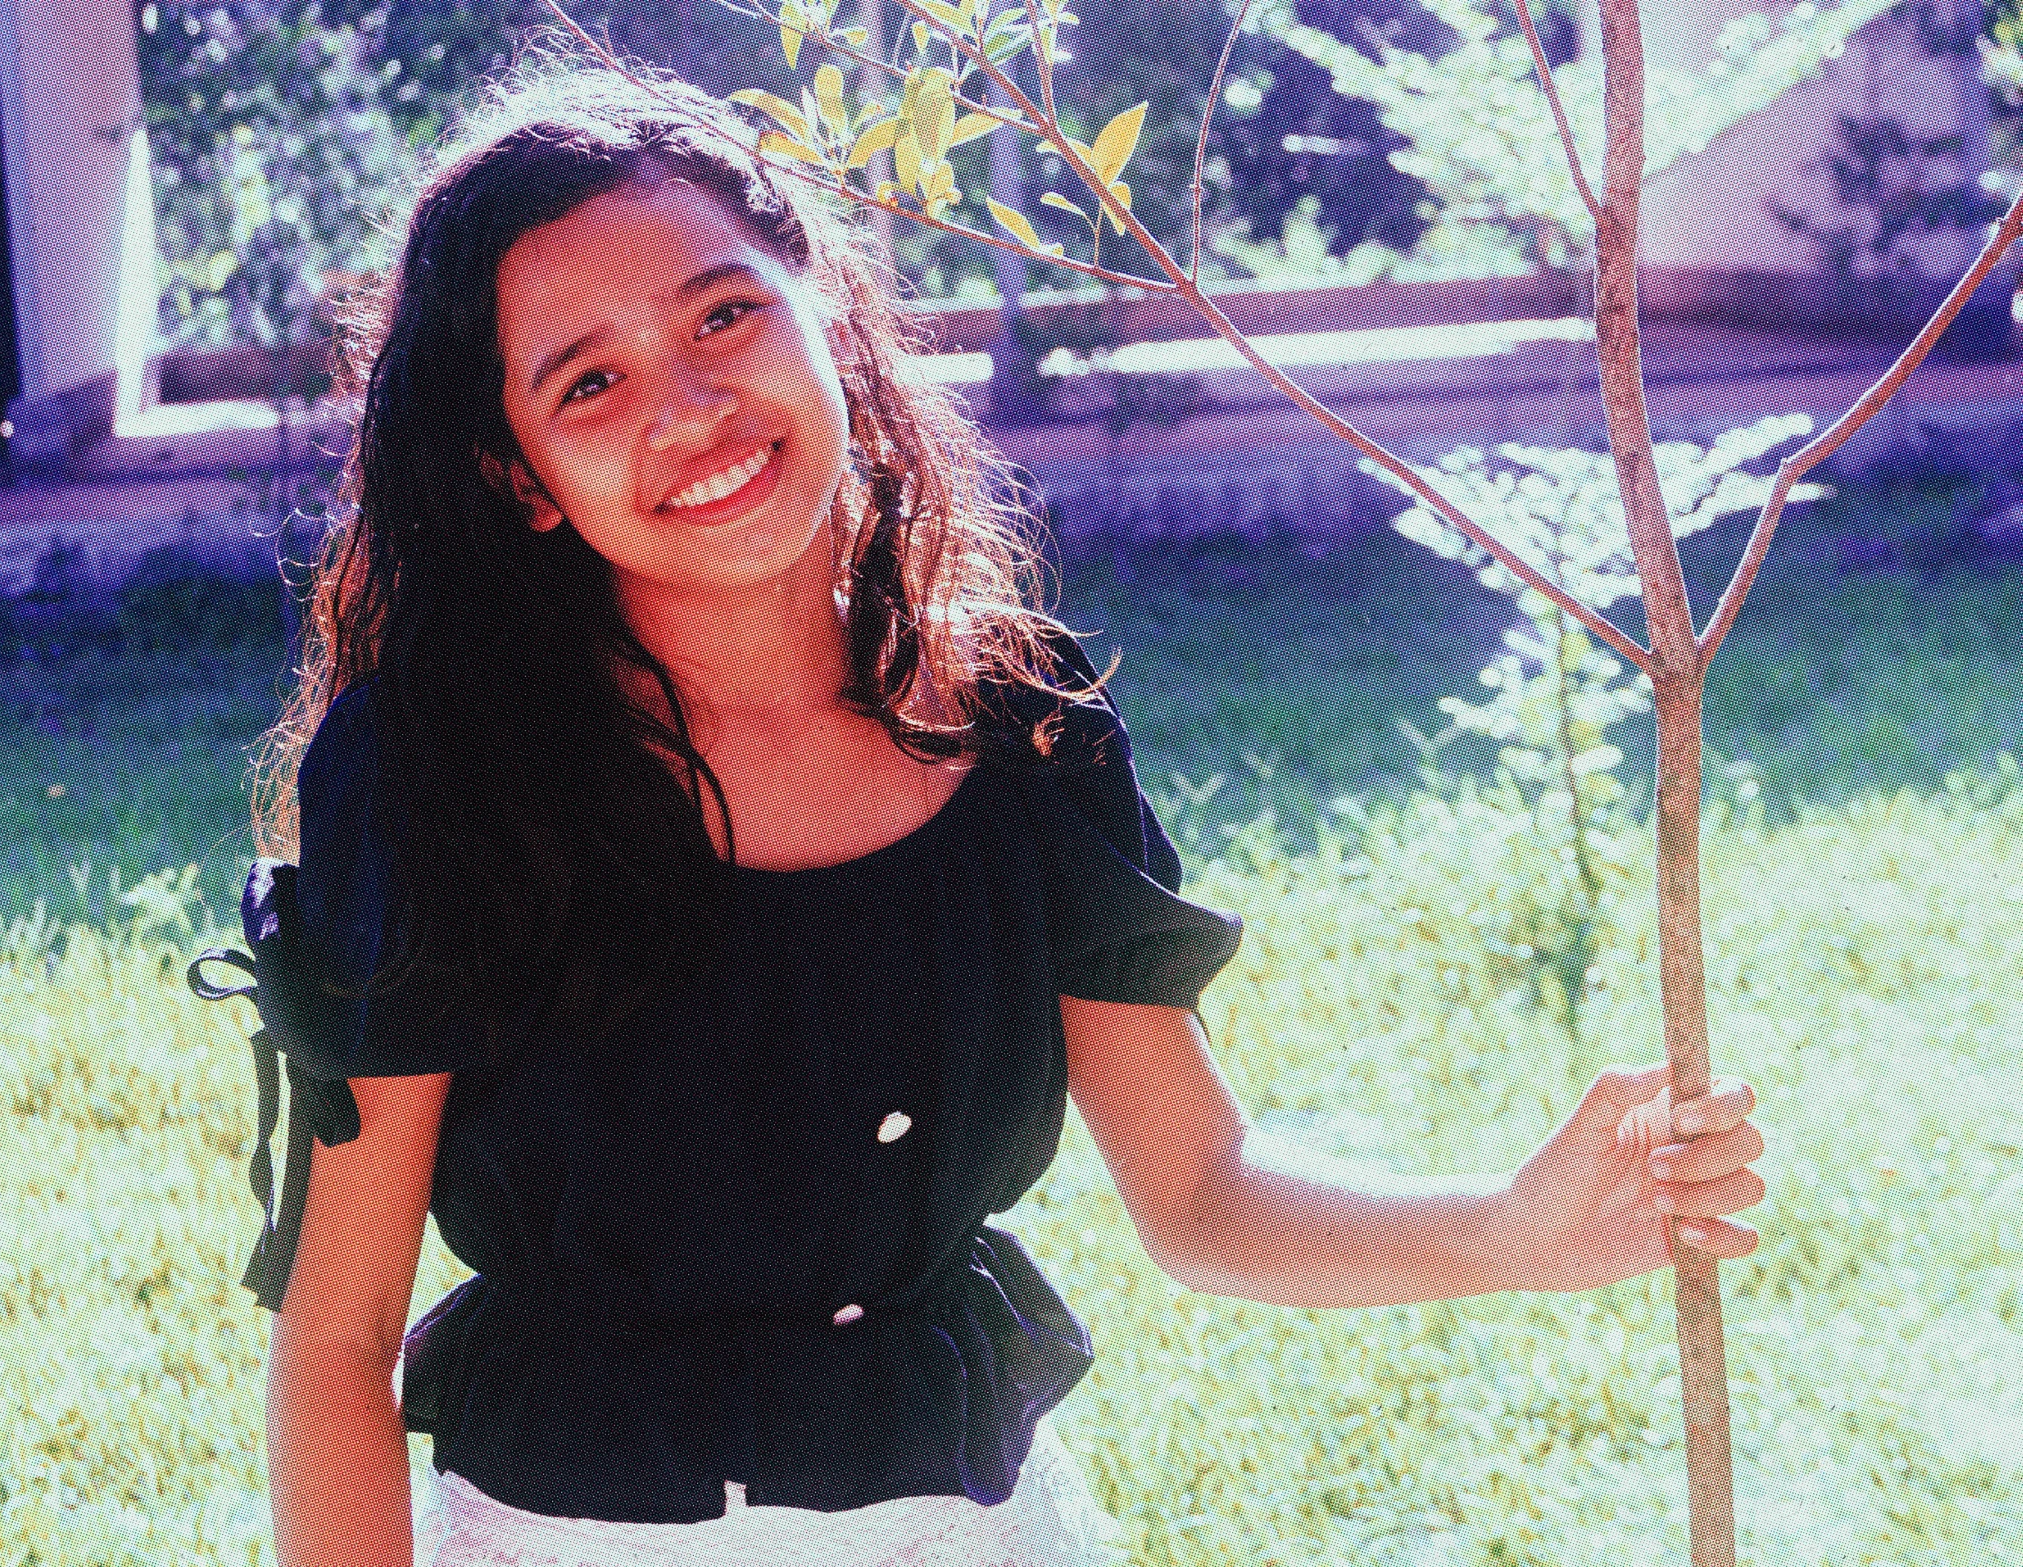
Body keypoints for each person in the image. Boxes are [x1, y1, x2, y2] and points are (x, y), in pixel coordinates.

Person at [202, 51, 1765, 1567]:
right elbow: (338, 1338)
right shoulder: (432, 780)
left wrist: (1511, 1225)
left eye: (724, 313)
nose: (688, 406)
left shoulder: (1020, 724)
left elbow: (1201, 1194)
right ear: (518, 474)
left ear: (829, 311)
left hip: (974, 1527)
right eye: (589, 381)